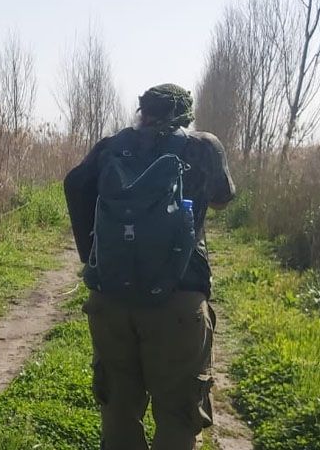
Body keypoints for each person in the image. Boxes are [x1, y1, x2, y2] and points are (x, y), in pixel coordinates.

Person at [64, 83, 235, 450]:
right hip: (178, 301)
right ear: (186, 115)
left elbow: (75, 184)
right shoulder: (203, 146)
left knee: (118, 410)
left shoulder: (111, 147)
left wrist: (91, 255)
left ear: (142, 113)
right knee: (177, 415)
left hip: (110, 300)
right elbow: (223, 198)